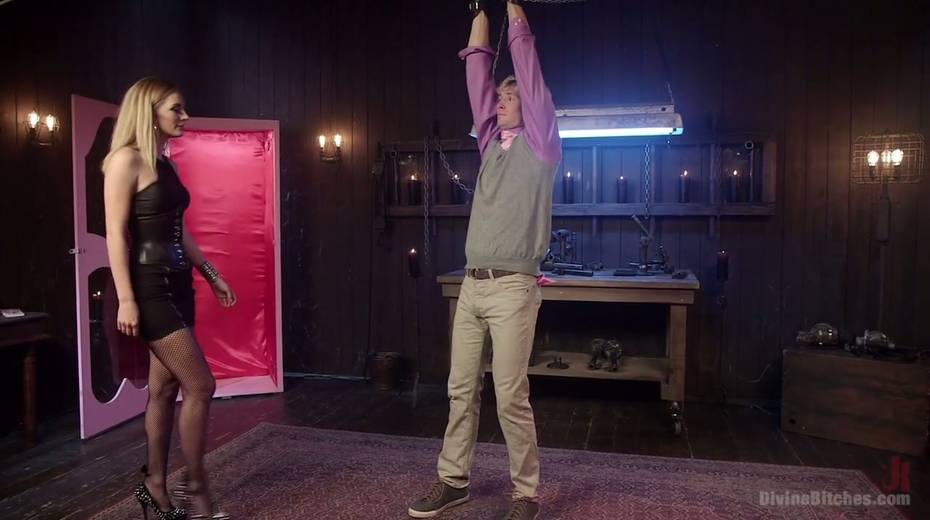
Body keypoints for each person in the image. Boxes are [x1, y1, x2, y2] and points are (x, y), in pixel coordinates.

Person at [407, 1, 561, 519]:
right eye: (501, 96)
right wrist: (479, 15)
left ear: (532, 108)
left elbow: (530, 77)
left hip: (514, 288)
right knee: (459, 391)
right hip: (472, 286)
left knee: (510, 394)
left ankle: (526, 494)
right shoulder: (491, 146)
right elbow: (477, 78)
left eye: (510, 97)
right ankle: (453, 481)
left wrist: (515, 16)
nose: (502, 101)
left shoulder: (543, 147)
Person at [103, 77, 236, 520]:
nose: (185, 116)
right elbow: (116, 235)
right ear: (149, 111)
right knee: (201, 385)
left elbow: (182, 230)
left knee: (163, 389)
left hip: (180, 285)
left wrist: (211, 274)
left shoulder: (164, 161)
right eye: (176, 109)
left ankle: (154, 487)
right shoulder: (124, 160)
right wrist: (126, 299)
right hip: (149, 289)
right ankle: (197, 490)